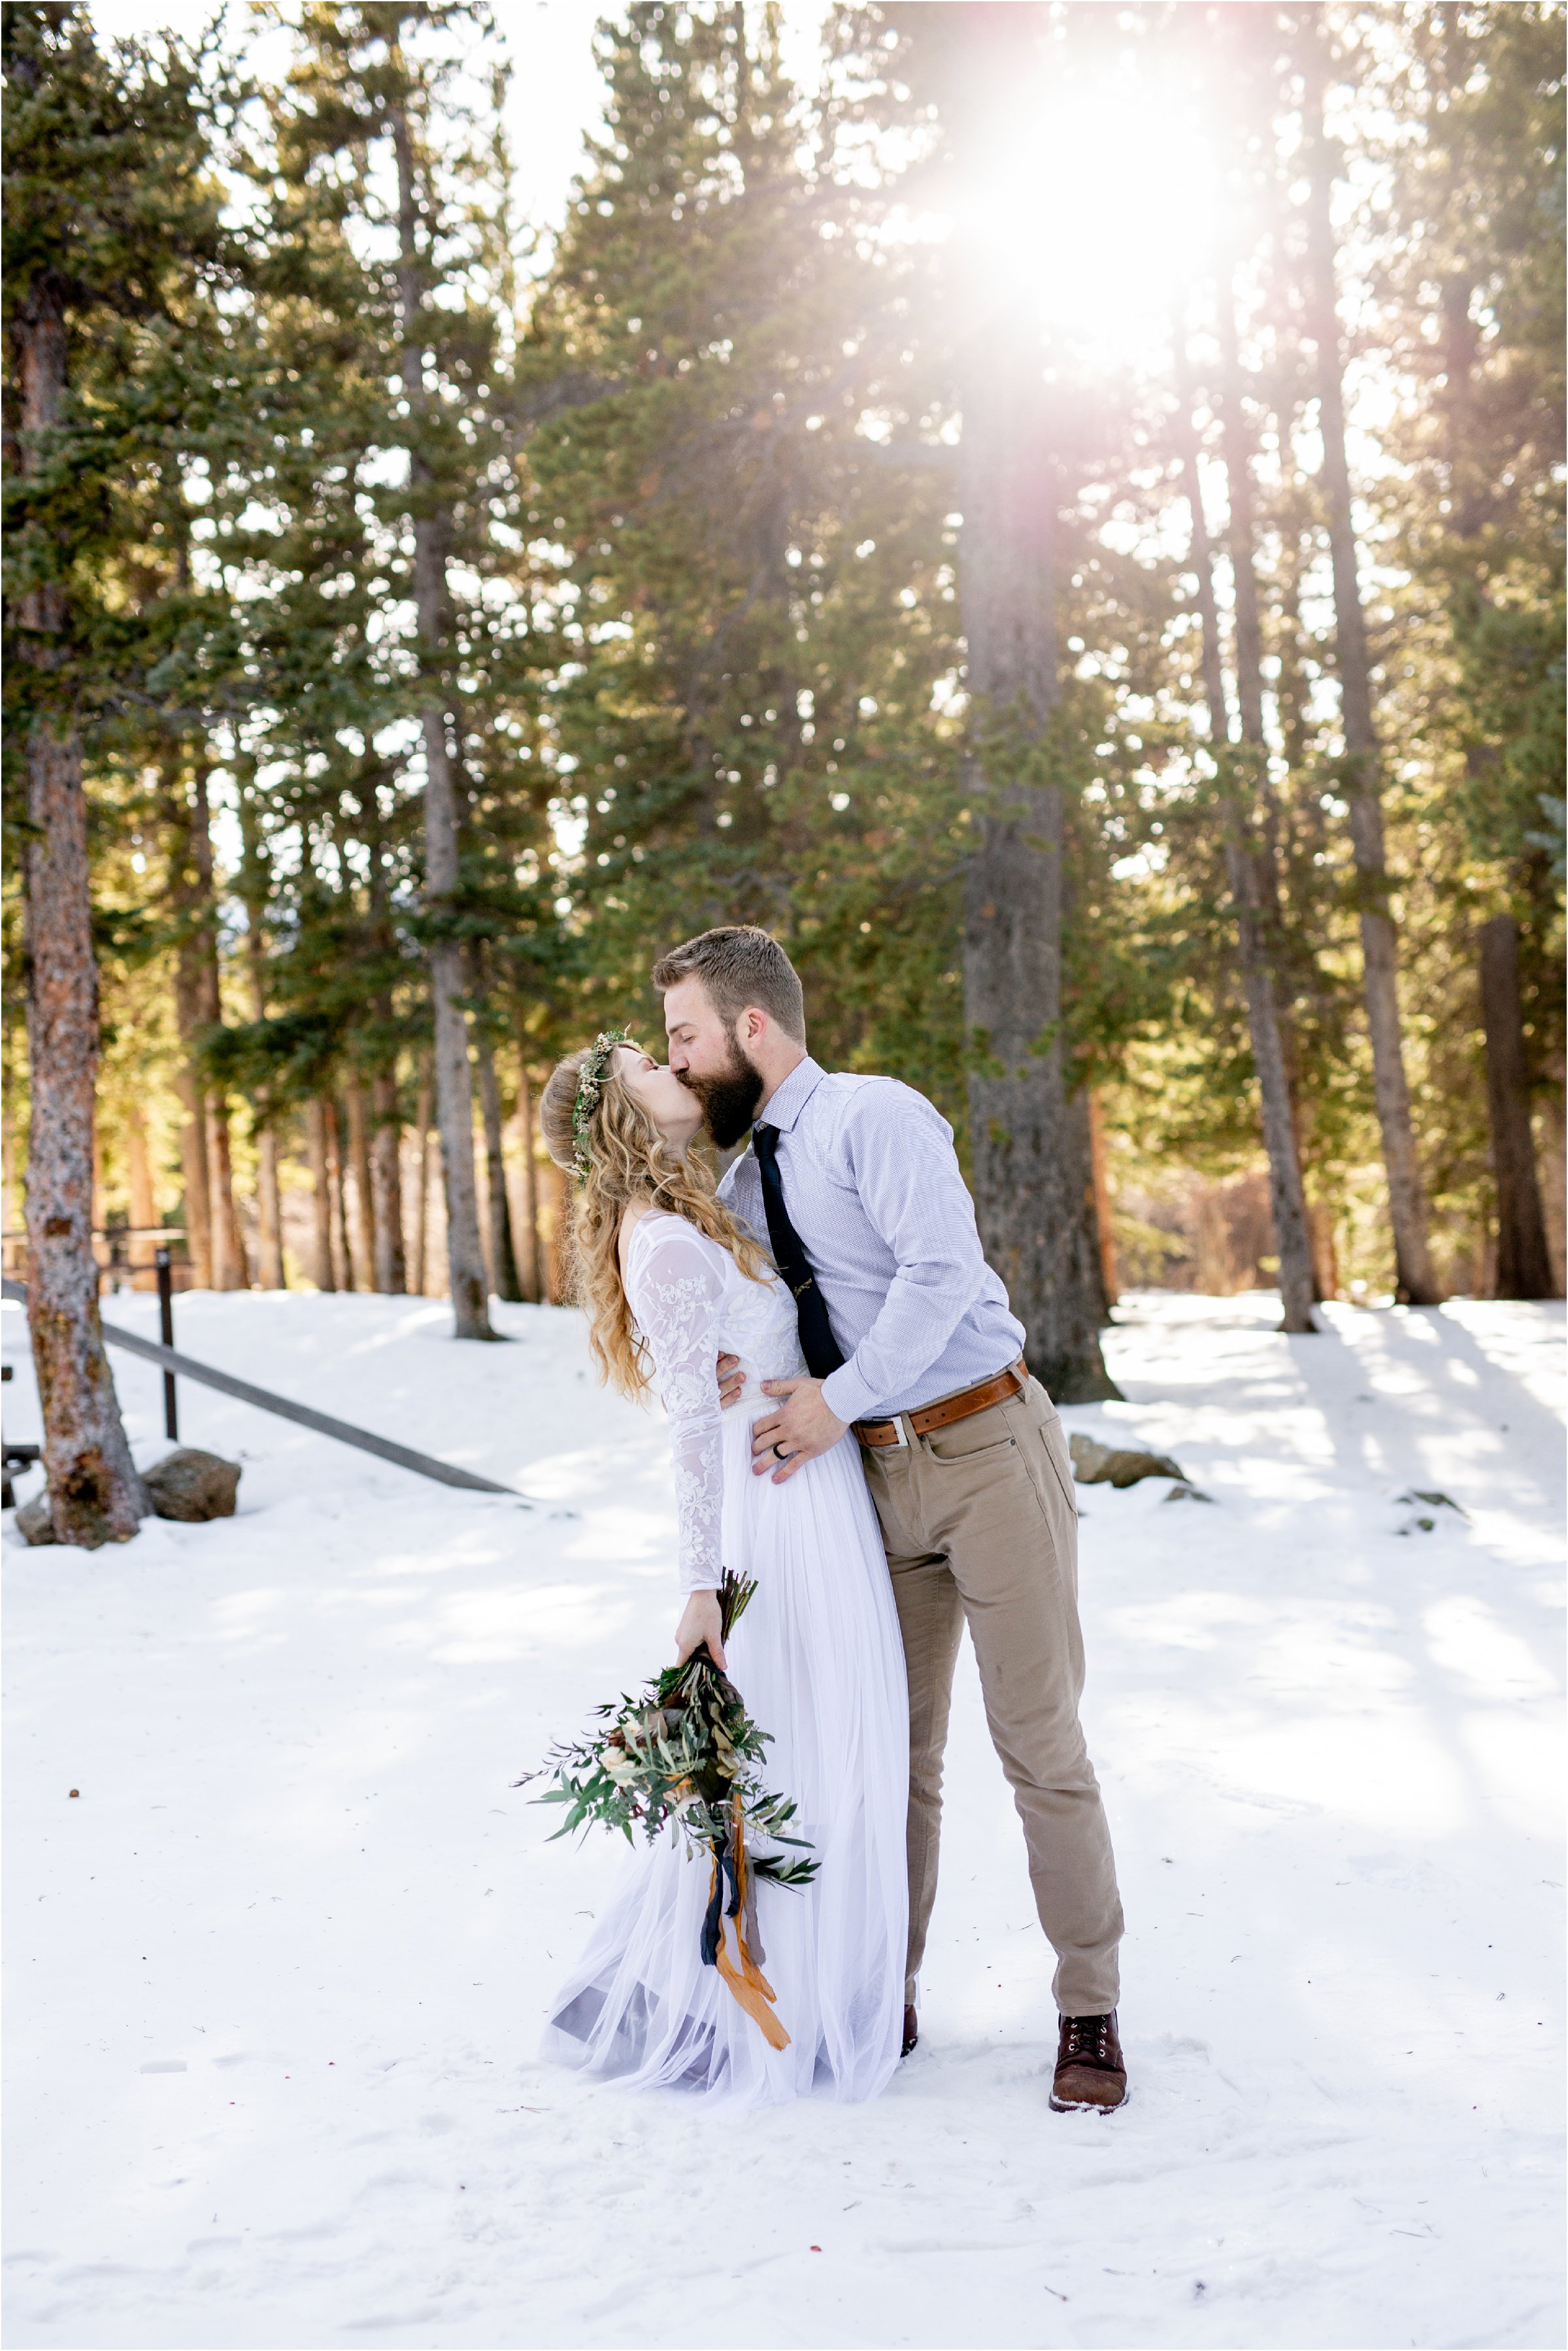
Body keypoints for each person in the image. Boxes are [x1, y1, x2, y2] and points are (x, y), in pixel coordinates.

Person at [654, 924, 1129, 2114]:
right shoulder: (739, 1181)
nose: (681, 1057)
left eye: (685, 1034)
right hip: (870, 1482)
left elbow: (938, 1278)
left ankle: (1089, 2007)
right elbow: (774, 1317)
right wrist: (733, 1369)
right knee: (893, 1756)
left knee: (1038, 1742)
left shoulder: (877, 1116)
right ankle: (884, 1990)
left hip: (984, 1448)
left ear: (749, 1028)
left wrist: (832, 1404)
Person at [535, 1031, 909, 2106]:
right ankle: (710, 1999)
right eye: (648, 1064)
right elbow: (691, 1430)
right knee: (793, 1739)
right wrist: (701, 1585)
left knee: (822, 1736)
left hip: (807, 1482)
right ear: (620, 1112)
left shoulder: (694, 1217)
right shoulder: (660, 1241)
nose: (674, 1067)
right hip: (771, 1512)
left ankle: (811, 1987)